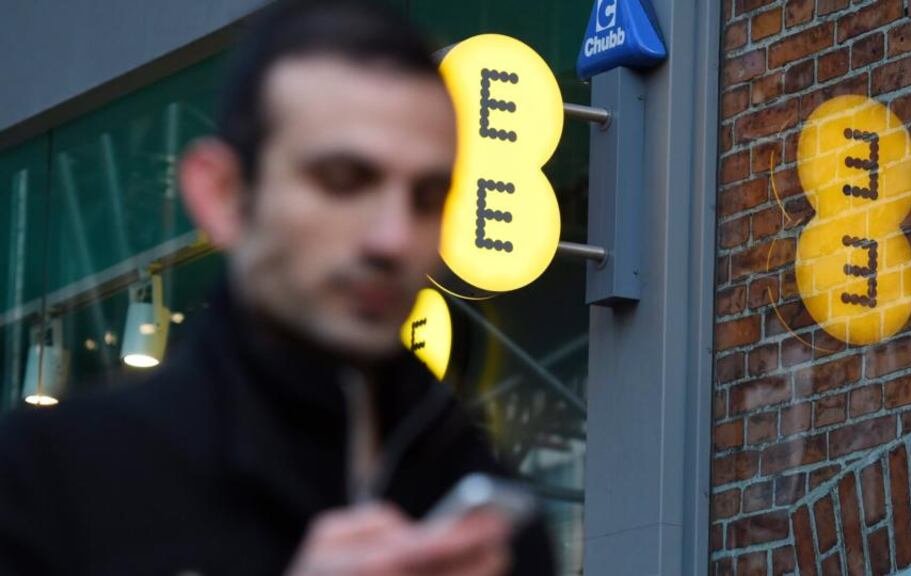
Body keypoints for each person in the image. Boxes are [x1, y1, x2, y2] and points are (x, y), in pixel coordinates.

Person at [0, 1, 556, 574]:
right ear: (222, 195)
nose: (392, 238)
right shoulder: (51, 483)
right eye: (343, 180)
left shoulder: (488, 518)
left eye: (428, 196)